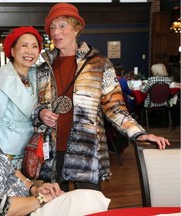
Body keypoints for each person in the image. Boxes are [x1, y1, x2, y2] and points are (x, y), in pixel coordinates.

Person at [32, 3, 170, 192]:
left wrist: (139, 132)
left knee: (90, 207)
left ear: (76, 28)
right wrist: (40, 113)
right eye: (52, 27)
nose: (56, 32)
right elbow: (35, 104)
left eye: (62, 25)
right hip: (50, 155)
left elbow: (114, 107)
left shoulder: (99, 64)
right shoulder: (42, 67)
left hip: (85, 154)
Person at [0, 26, 42, 169]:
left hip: (31, 144)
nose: (30, 51)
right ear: (12, 50)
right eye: (24, 45)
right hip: (7, 146)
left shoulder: (36, 75)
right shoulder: (4, 77)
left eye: (34, 46)